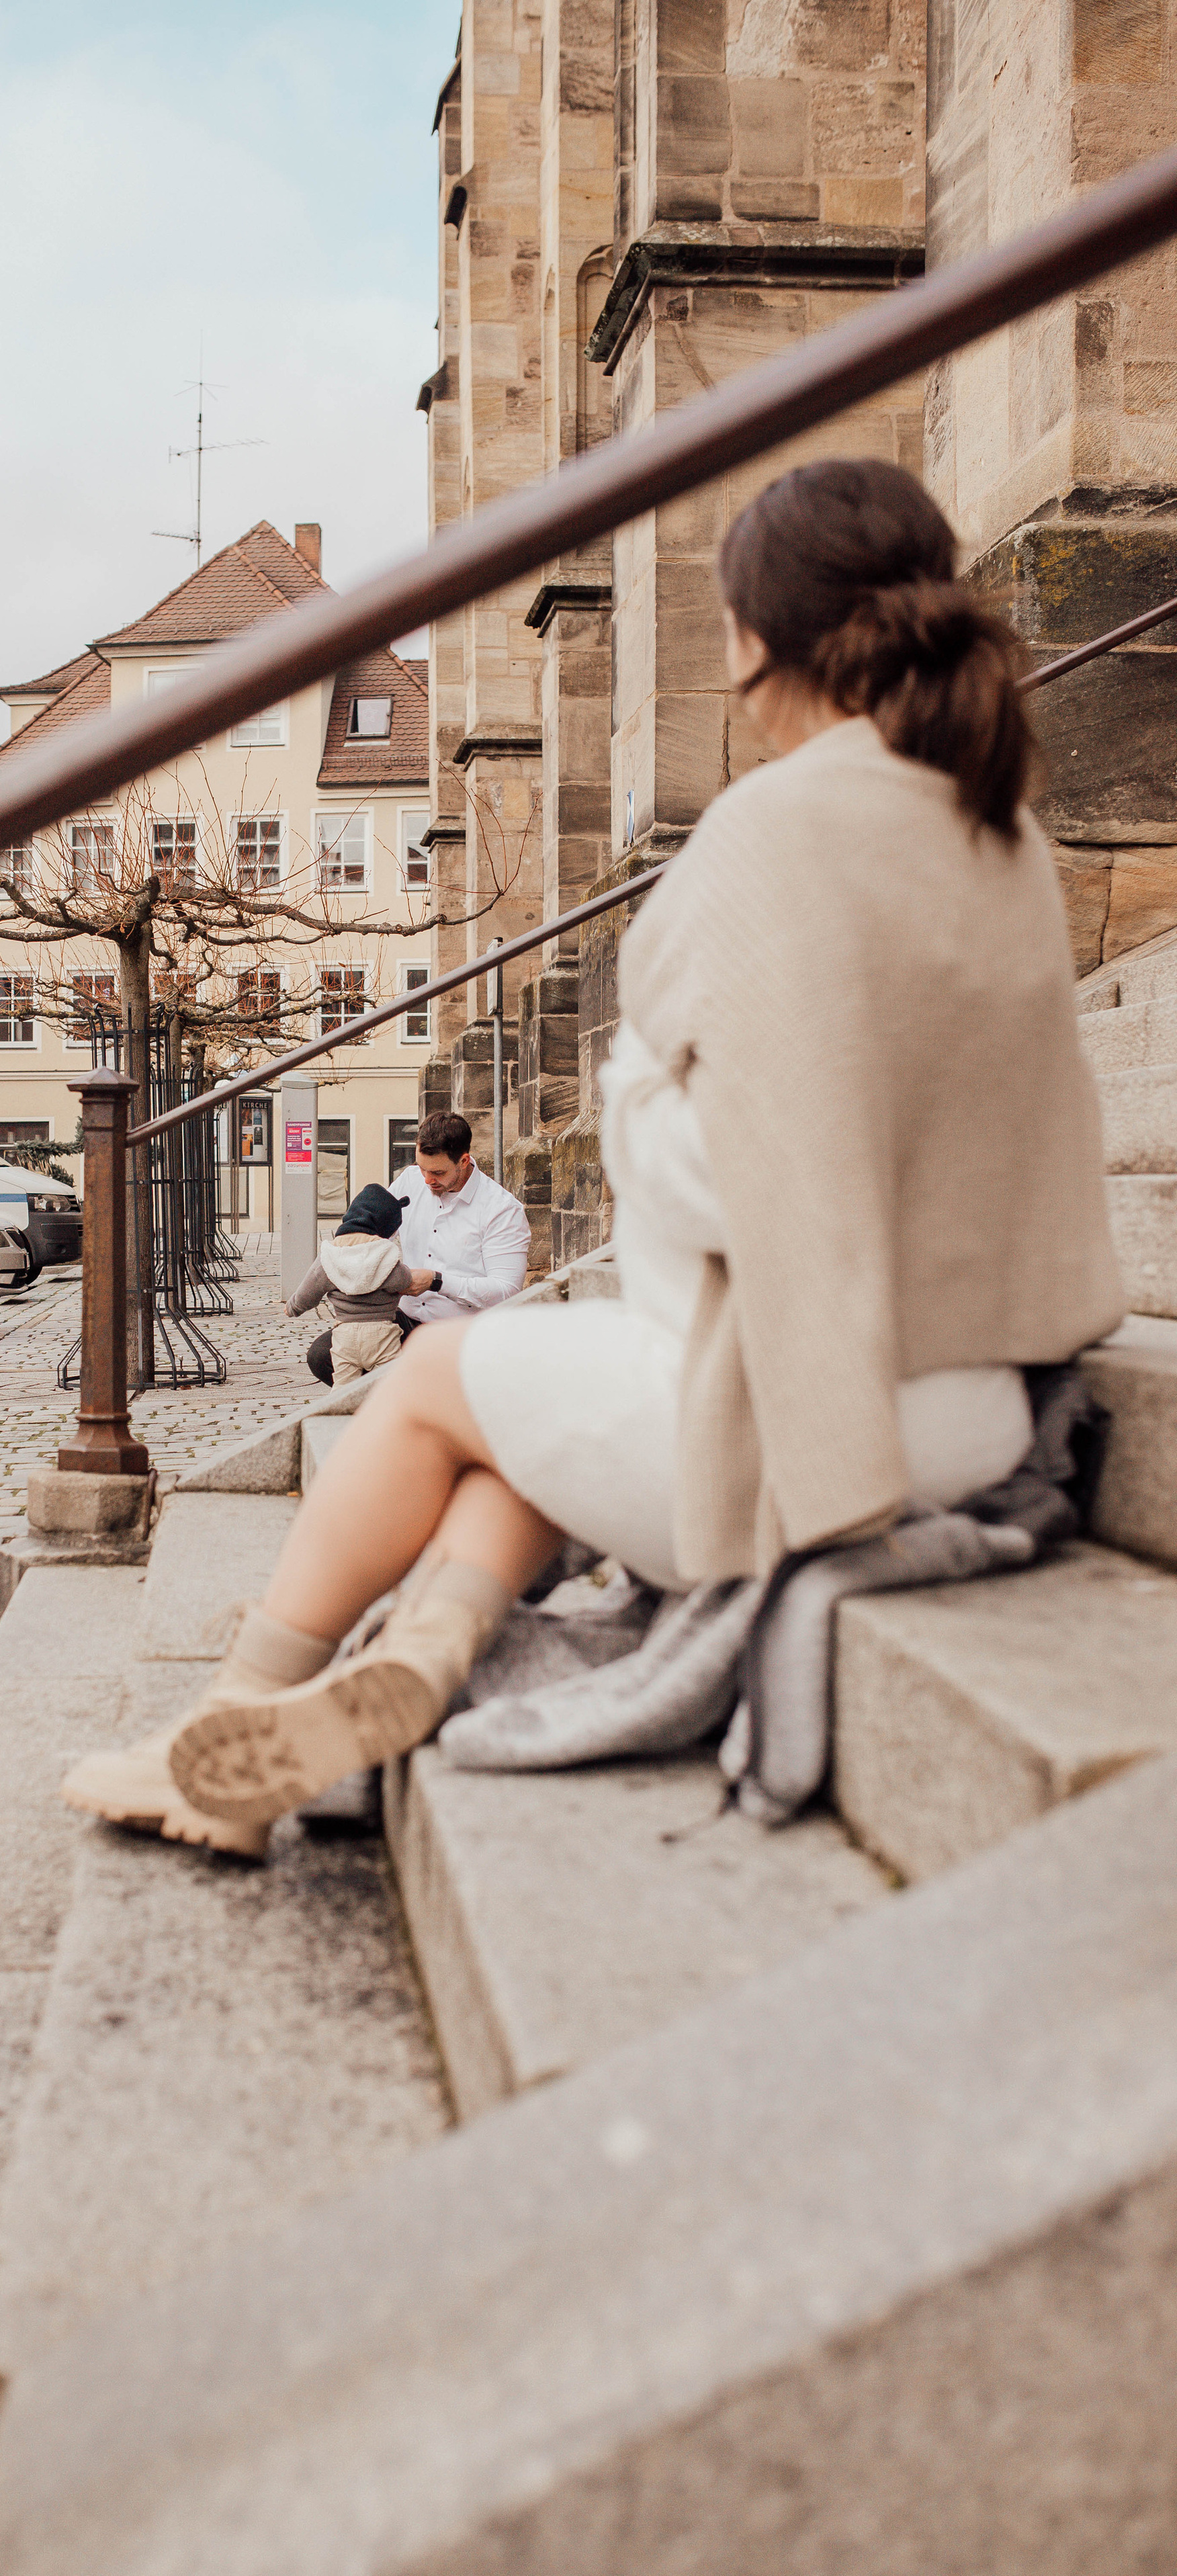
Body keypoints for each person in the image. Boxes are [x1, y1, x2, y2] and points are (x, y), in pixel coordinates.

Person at [64, 456, 1123, 1860]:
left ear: (751, 636)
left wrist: (631, 1096)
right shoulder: (1000, 831)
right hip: (982, 1410)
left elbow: (736, 1178)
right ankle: (426, 1653)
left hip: (831, 1436)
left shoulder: (772, 832)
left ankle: (224, 1728)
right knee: (518, 1412)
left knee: (434, 1379)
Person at [302, 1111, 530, 1384]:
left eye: (437, 1172)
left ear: (464, 1161)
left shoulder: (502, 1210)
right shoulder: (410, 1180)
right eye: (422, 1168)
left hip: (461, 1332)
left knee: (421, 1377)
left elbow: (506, 1292)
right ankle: (402, 1398)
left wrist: (437, 1281)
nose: (427, 1180)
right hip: (403, 1321)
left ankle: (412, 1397)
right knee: (322, 1355)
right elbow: (366, 1235)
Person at [285, 1184, 414, 1387]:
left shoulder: (330, 1255)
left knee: (344, 1389)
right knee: (387, 1388)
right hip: (381, 1334)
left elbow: (308, 1291)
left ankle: (345, 1406)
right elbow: (404, 1280)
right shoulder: (384, 1255)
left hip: (345, 1336)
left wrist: (293, 1307)